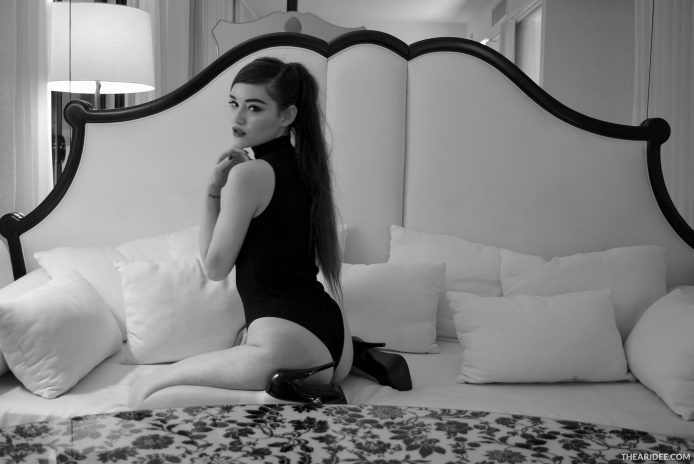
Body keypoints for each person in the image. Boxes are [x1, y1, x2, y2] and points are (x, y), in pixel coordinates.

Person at [129, 57, 353, 406]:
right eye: (234, 104)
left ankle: (276, 399)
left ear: (287, 116)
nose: (238, 118)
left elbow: (215, 268)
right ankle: (286, 389)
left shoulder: (249, 175)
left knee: (142, 395)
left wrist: (212, 191)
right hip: (336, 341)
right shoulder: (308, 168)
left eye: (254, 107)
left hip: (287, 346)